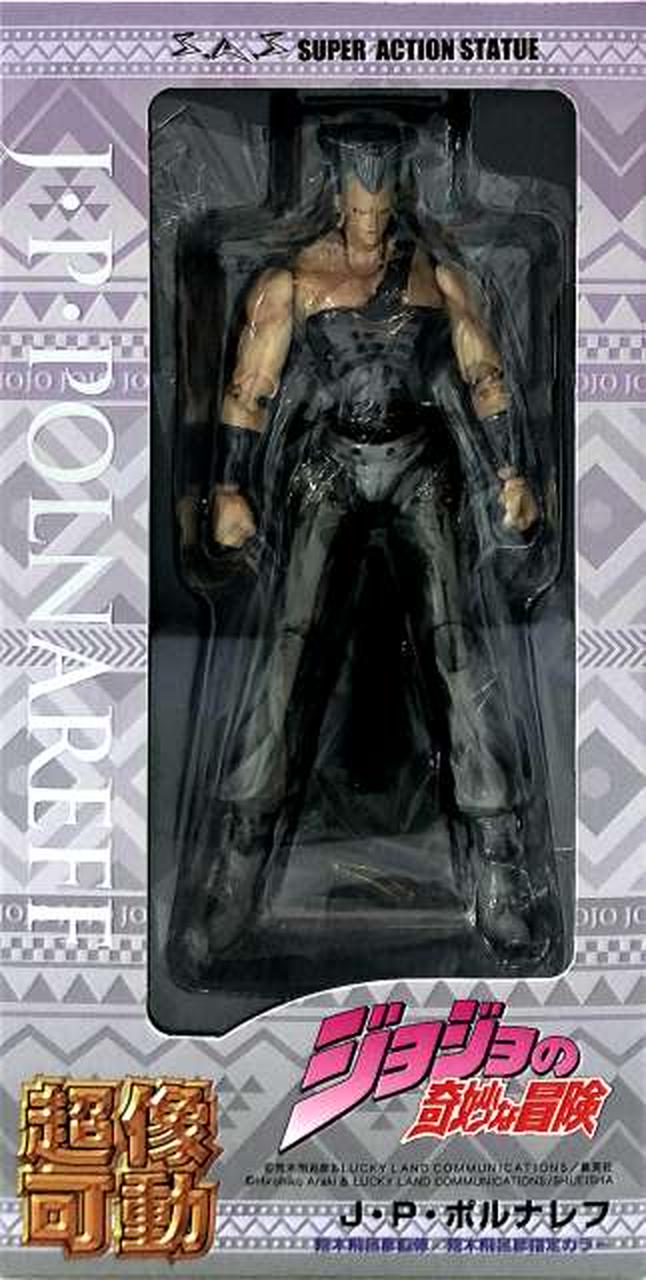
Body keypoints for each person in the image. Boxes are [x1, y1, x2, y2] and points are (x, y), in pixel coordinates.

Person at [174, 121, 545, 980]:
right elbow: (250, 387)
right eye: (358, 191)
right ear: (338, 188)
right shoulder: (294, 279)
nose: (371, 209)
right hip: (329, 464)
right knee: (288, 649)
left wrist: (511, 473)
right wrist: (230, 484)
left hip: (421, 462)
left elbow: (485, 374)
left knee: (457, 649)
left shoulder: (438, 276)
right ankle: (237, 864)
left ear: (399, 189)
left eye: (383, 192)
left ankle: (497, 861)